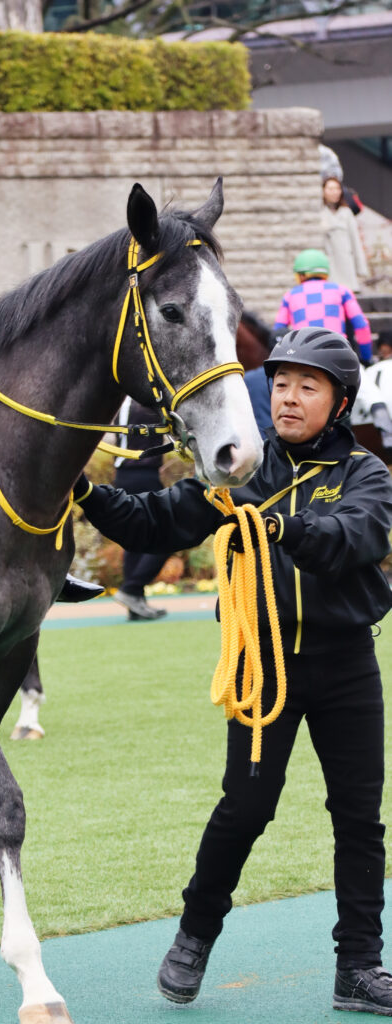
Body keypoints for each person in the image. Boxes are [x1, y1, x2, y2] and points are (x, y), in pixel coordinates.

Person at [73, 327, 392, 1016]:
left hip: (345, 667)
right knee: (245, 809)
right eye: (280, 383)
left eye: (307, 386)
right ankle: (193, 937)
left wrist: (285, 529)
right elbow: (153, 521)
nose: (287, 398)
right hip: (262, 663)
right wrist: (87, 494)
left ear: (338, 403)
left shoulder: (365, 475)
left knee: (358, 820)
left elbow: (353, 539)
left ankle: (359, 968)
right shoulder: (239, 467)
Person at [111, 399, 167, 620]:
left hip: (122, 476)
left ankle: (135, 606)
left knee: (133, 540)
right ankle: (132, 589)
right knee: (167, 535)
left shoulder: (120, 404)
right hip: (145, 475)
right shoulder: (147, 403)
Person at [274, 249, 372, 364]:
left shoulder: (289, 296)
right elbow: (362, 326)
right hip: (338, 353)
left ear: (301, 275)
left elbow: (277, 332)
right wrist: (366, 359)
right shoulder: (342, 291)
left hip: (302, 357)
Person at [321, 177, 368, 294]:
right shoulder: (320, 213)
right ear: (323, 191)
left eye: (337, 189)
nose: (334, 192)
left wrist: (361, 268)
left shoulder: (346, 213)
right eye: (330, 189)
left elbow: (355, 242)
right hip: (327, 265)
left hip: (346, 265)